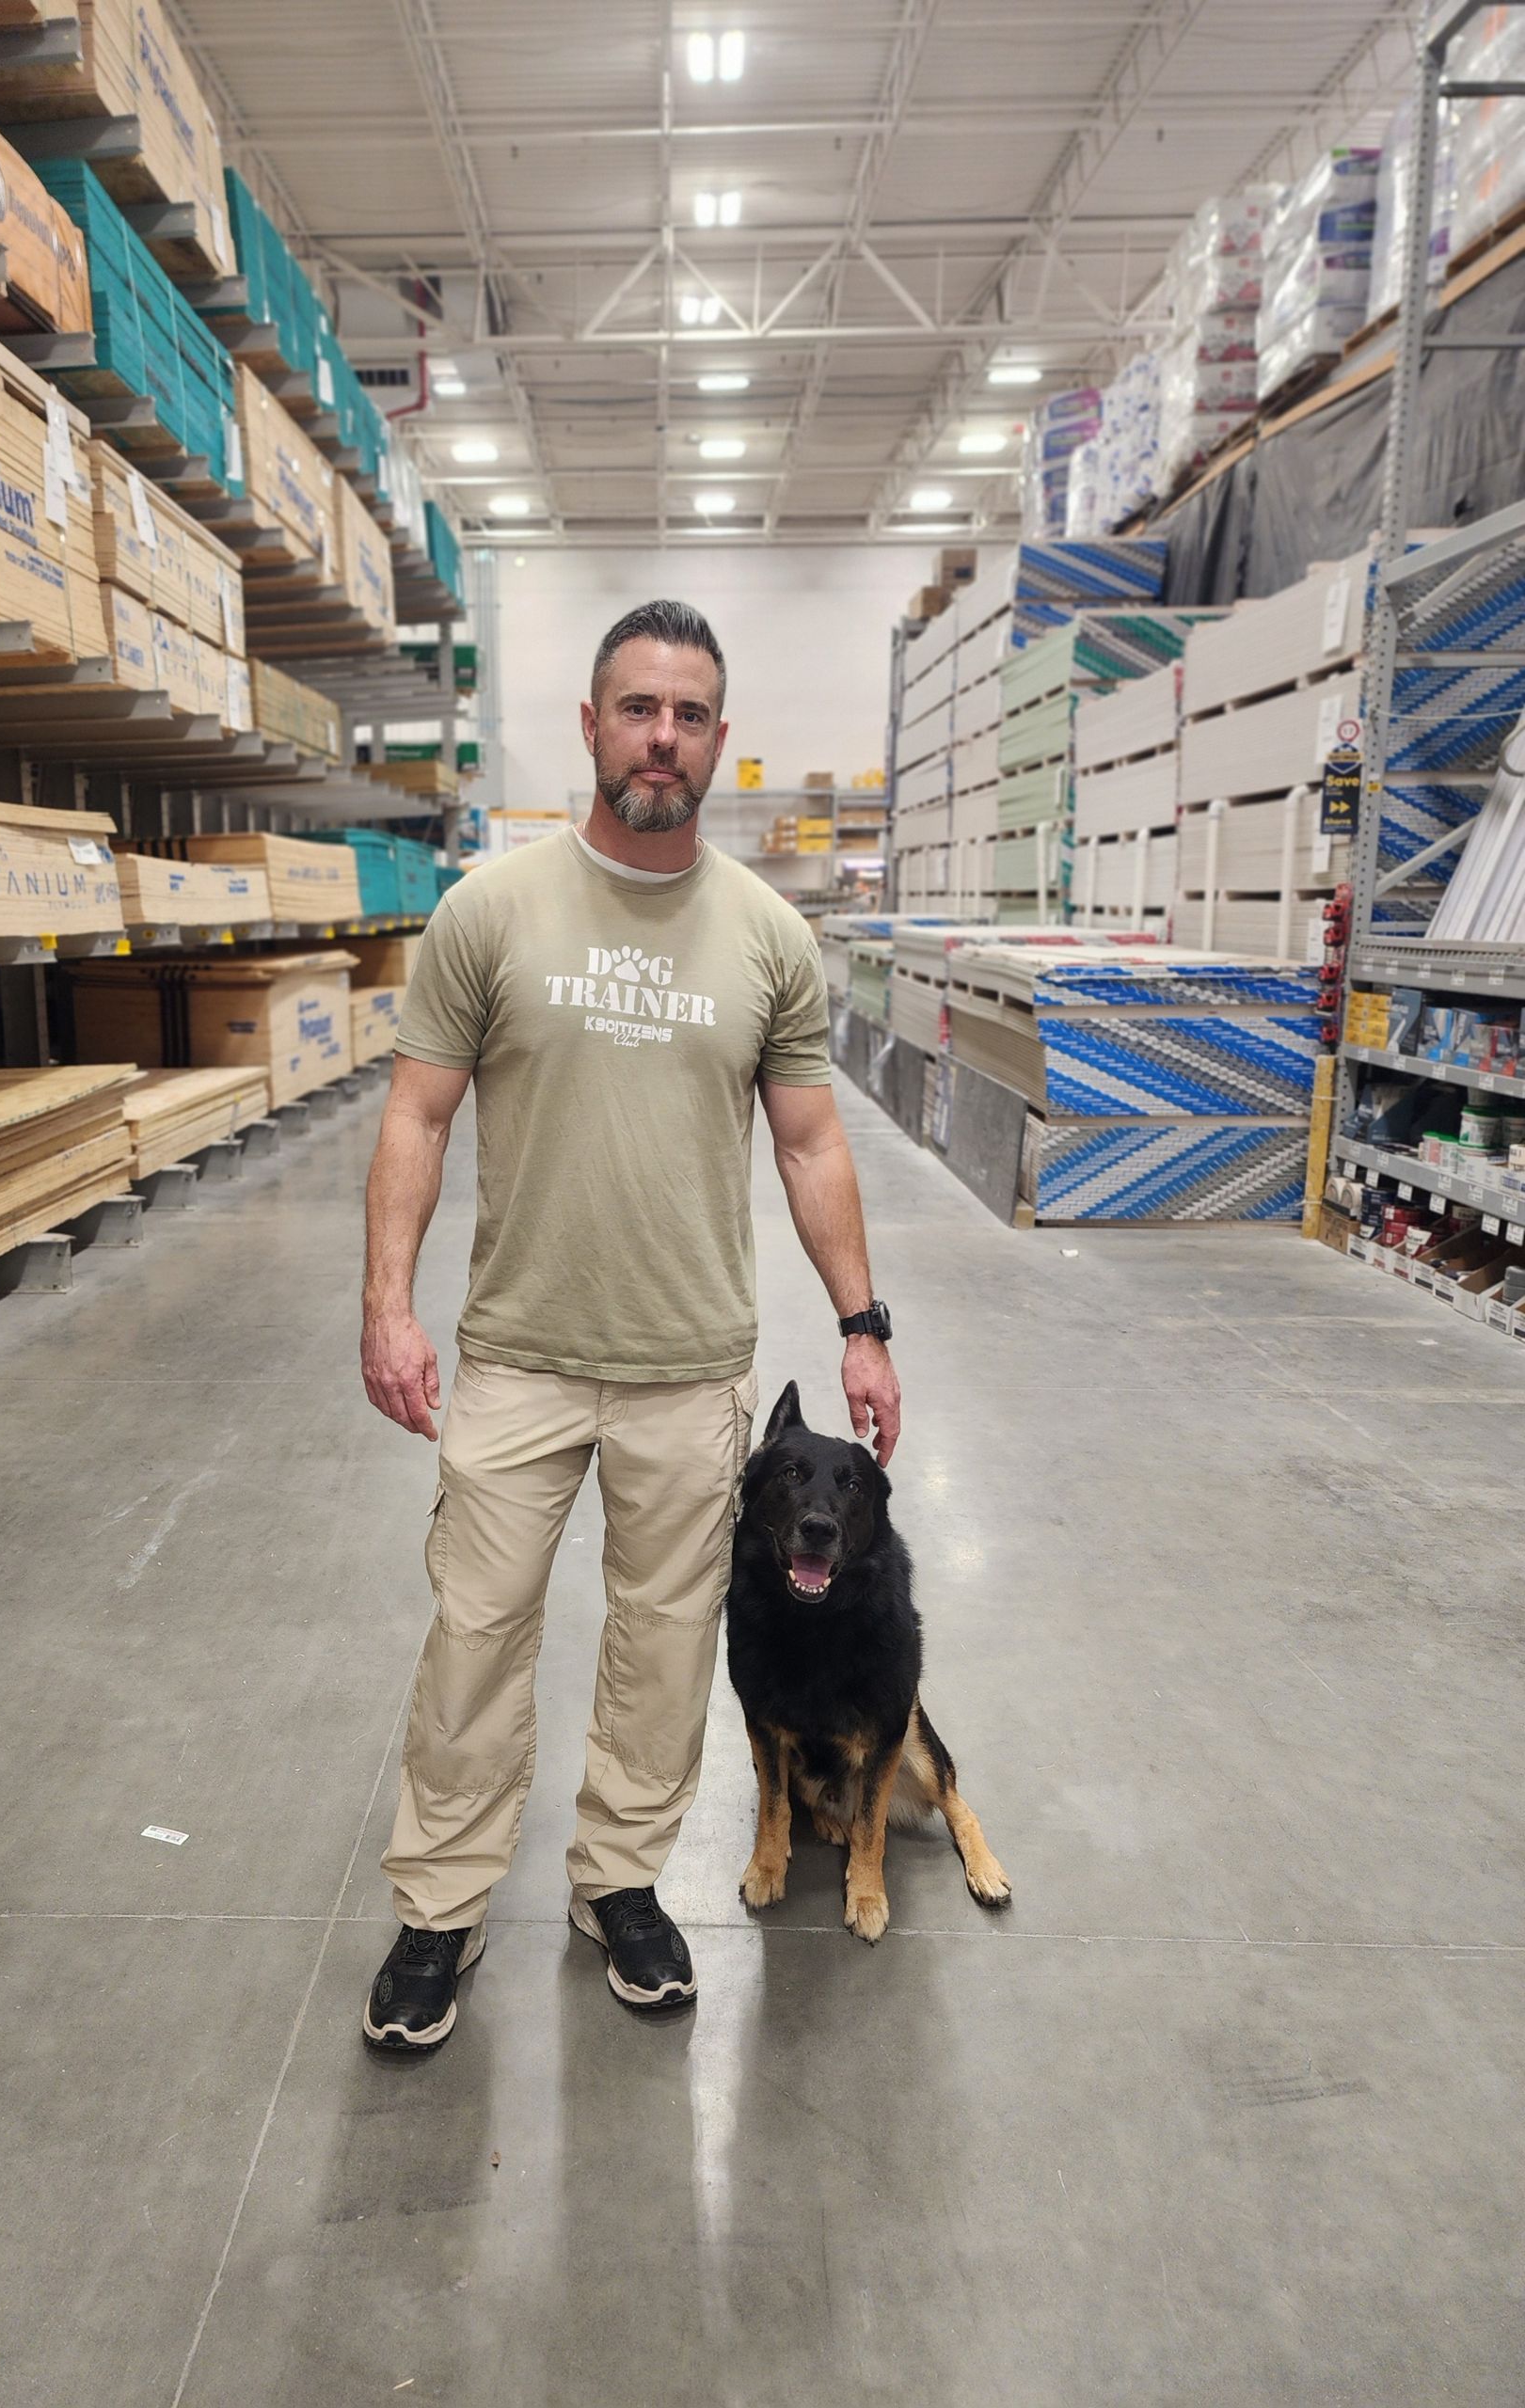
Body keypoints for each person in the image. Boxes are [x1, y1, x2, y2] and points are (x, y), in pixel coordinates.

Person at [358, 597, 901, 2052]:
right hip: (519, 1356)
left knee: (665, 1650)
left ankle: (621, 1883)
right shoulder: (491, 910)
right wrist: (387, 1305)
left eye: (691, 713)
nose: (663, 735)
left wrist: (861, 1322)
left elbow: (810, 1145)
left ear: (720, 739)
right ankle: (441, 1905)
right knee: (475, 1639)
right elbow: (416, 1112)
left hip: (689, 1371)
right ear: (591, 724)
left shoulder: (770, 936)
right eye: (638, 706)